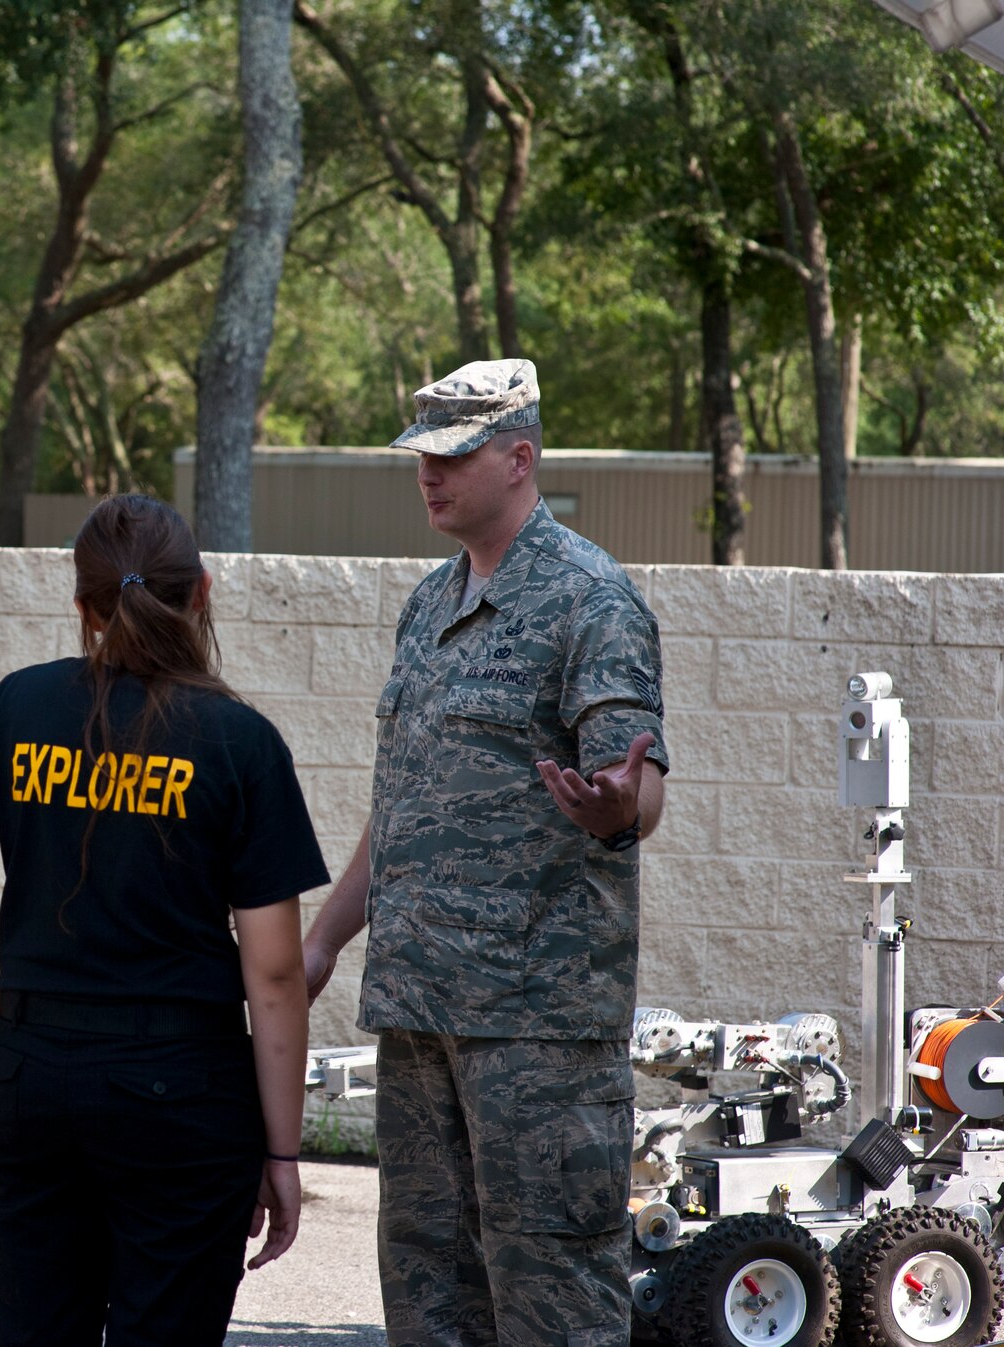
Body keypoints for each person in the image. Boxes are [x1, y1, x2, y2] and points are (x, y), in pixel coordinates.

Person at [0, 493, 327, 1347]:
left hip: (35, 1081)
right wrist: (283, 1154)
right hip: (185, 1093)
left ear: (83, 604)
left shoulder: (18, 707)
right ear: (203, 594)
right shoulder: (239, 741)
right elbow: (272, 973)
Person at [300, 359, 668, 1347]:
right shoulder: (427, 607)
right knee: (429, 1295)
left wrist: (610, 809)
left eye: (452, 456)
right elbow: (409, 806)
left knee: (551, 1299)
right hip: (420, 1019)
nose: (428, 476)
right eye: (421, 456)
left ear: (518, 457)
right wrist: (324, 940)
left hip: (535, 1032)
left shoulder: (590, 596)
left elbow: (638, 786)